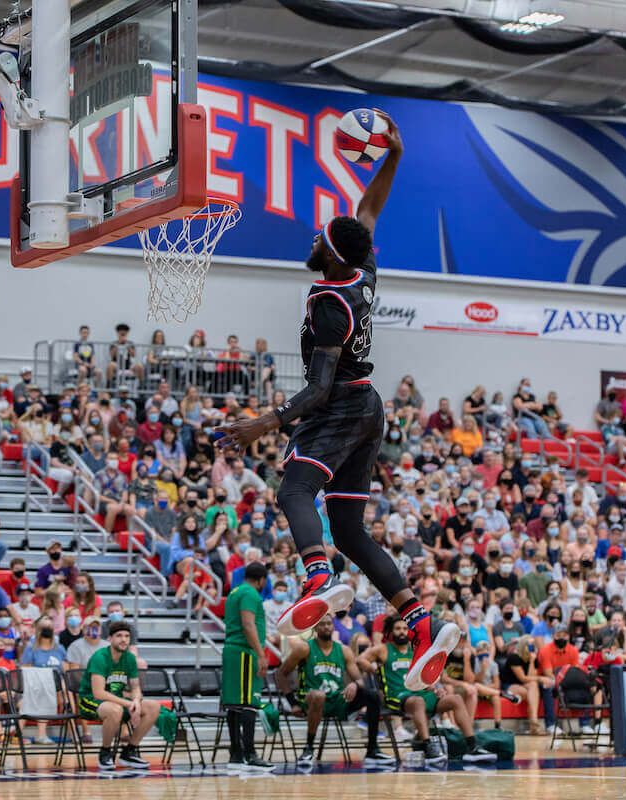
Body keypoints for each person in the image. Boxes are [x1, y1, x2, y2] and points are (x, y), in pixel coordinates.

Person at [216, 113, 457, 691]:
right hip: (369, 406)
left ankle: (318, 580)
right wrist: (393, 158)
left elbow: (320, 388)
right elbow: (367, 215)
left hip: (342, 405)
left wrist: (265, 423)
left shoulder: (329, 301)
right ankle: (420, 621)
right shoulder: (361, 270)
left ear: (329, 251)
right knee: (348, 527)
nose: (312, 237)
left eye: (318, 236)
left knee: (294, 490)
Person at [358, 616, 495, 764]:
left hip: (420, 693)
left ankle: (472, 746)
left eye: (405, 628)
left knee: (455, 699)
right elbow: (360, 659)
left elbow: (425, 675)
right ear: (391, 632)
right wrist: (372, 668)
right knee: (418, 702)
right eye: (398, 629)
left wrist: (434, 688)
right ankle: (428, 748)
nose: (402, 632)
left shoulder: (415, 649)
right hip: (396, 696)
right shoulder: (383, 649)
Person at [277, 615, 393, 769]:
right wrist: (292, 703)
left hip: (337, 700)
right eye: (322, 624)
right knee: (319, 695)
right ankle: (308, 748)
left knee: (372, 695)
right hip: (310, 699)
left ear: (334, 626)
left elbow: (359, 680)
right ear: (315, 628)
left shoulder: (344, 651)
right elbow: (280, 674)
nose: (326, 627)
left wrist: (355, 686)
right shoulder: (304, 648)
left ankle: (372, 749)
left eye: (329, 624)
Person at [76, 621, 160, 771]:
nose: (124, 639)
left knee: (153, 706)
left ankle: (129, 751)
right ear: (109, 639)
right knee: (115, 710)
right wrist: (128, 704)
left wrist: (136, 701)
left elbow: (135, 686)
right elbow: (98, 693)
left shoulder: (129, 658)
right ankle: (105, 752)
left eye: (127, 636)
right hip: (89, 700)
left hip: (116, 700)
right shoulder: (100, 657)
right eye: (119, 636)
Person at [220, 561, 276, 772]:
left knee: (235, 705)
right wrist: (261, 655)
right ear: (261, 580)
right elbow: (248, 623)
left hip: (233, 651)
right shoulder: (251, 594)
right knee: (248, 704)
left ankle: (236, 755)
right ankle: (250, 754)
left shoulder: (235, 591)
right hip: (244, 652)